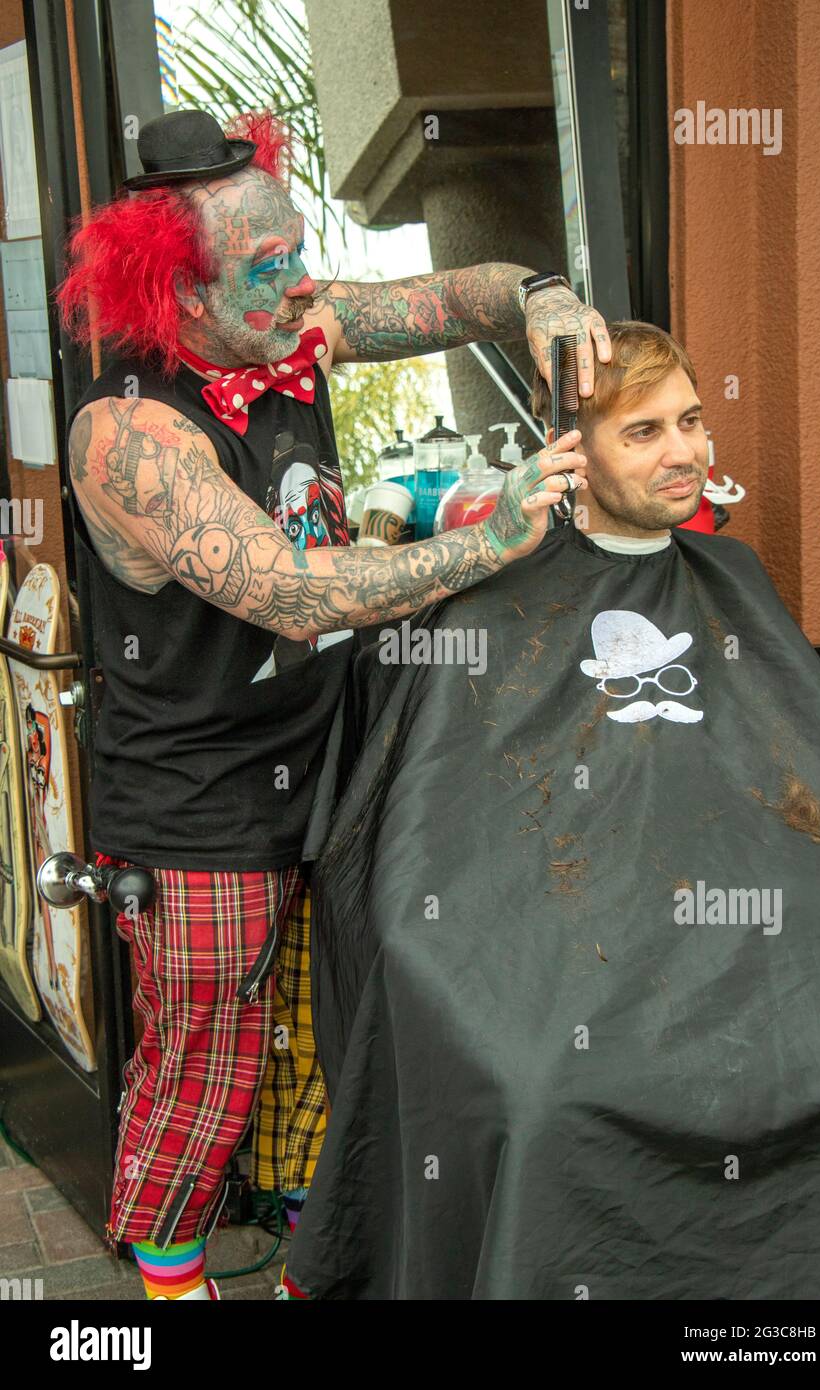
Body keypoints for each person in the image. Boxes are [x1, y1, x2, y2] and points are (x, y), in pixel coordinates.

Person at [57, 107, 604, 1301]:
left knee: (346, 1023)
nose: (303, 283)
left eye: (298, 246)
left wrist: (544, 295)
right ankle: (162, 1294)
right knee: (205, 1063)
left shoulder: (285, 328)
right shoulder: (130, 434)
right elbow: (291, 595)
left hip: (329, 756)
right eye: (268, 268)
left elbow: (457, 296)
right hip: (197, 802)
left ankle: (329, 1252)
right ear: (182, 298)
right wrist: (493, 535)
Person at [285, 320, 820, 1300]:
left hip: (750, 949)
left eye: (688, 420)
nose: (683, 449)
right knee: (541, 1093)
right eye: (642, 431)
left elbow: (818, 795)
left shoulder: (734, 580)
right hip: (566, 966)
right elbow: (424, 849)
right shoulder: (482, 604)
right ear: (571, 451)